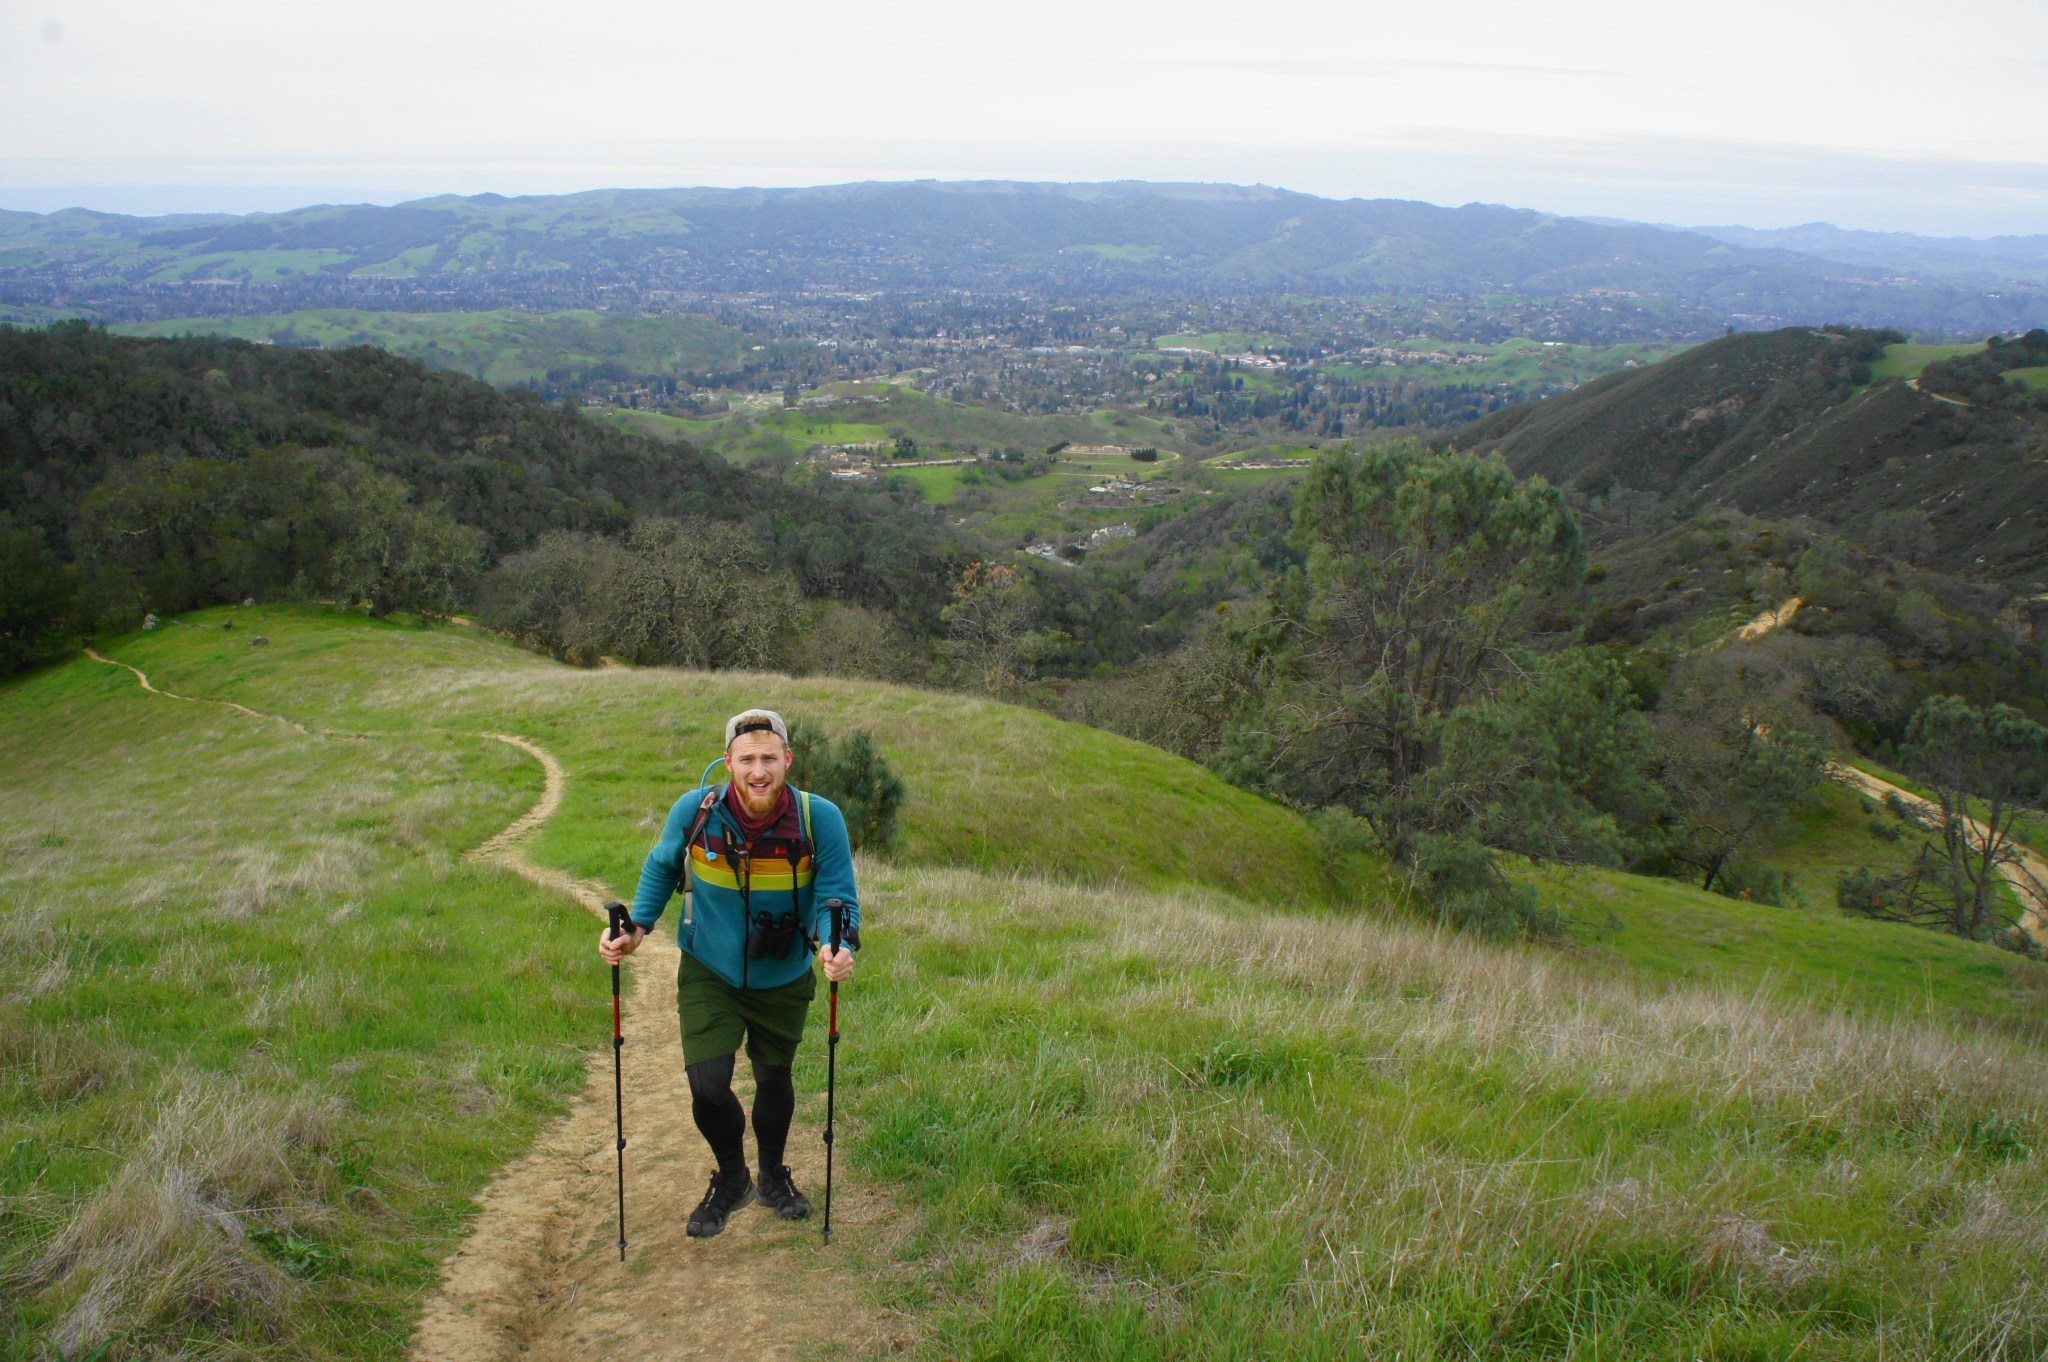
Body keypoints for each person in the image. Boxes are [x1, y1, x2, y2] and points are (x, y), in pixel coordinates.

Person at [599, 708, 860, 1238]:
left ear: (788, 760)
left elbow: (837, 895)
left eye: (769, 758)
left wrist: (837, 944)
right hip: (709, 969)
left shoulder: (819, 818)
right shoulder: (696, 811)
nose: (758, 770)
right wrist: (637, 927)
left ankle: (771, 1175)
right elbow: (663, 865)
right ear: (728, 763)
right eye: (747, 759)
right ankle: (733, 1177)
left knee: (773, 1076)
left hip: (783, 972)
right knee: (708, 1085)